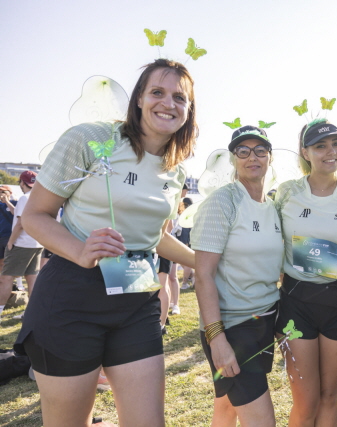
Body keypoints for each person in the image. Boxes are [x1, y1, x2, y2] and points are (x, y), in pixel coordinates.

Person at [14, 58, 197, 427]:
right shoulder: (89, 138)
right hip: (71, 297)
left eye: (180, 97)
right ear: (139, 98)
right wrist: (80, 251)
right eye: (157, 92)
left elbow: (156, 237)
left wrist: (204, 261)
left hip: (136, 300)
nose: (168, 103)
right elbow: (35, 216)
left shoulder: (176, 169)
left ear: (189, 109)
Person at [274, 119, 337, 427]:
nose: (331, 152)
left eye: (336, 144)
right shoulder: (287, 192)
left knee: (328, 397)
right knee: (305, 401)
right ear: (305, 152)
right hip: (295, 302)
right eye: (320, 146)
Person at [192, 126, 283, 427]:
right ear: (233, 159)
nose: (252, 157)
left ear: (270, 157)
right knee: (262, 420)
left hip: (264, 320)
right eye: (243, 151)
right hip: (232, 328)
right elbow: (203, 275)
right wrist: (217, 339)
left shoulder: (273, 206)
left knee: (227, 409)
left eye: (260, 150)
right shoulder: (222, 202)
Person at [0, 171, 43, 320]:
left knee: (6, 278)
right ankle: (31, 313)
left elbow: (20, 223)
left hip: (21, 243)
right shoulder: (41, 197)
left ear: (22, 183)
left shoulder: (25, 198)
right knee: (32, 278)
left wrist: (11, 242)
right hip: (37, 242)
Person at [0, 185, 16, 282]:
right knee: (1, 262)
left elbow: (16, 213)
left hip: (10, 237)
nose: (1, 194)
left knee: (9, 262)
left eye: (3, 192)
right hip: (0, 236)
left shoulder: (15, 203)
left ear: (10, 193)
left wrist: (7, 201)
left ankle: (11, 283)